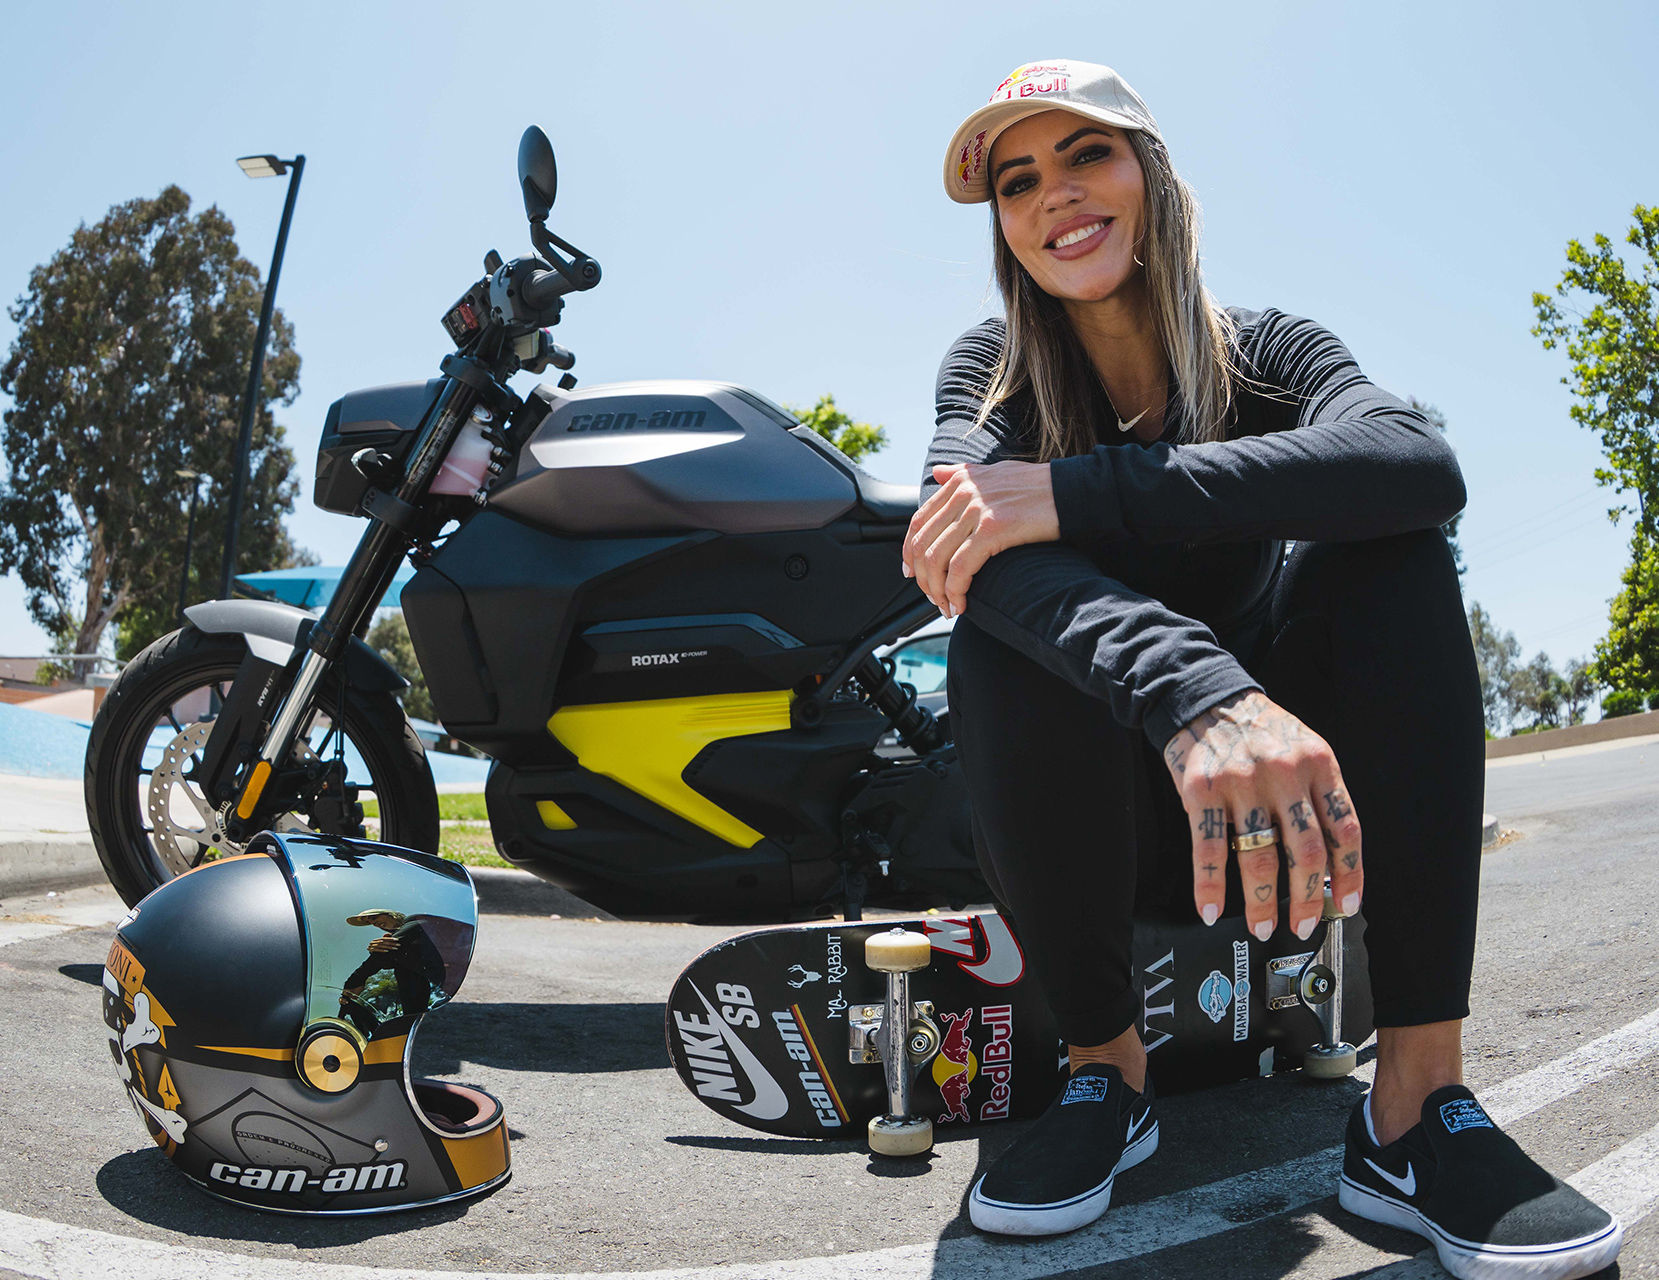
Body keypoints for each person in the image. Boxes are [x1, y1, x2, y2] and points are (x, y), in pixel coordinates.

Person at [904, 59, 1623, 1279]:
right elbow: (950, 542)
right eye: (1017, 181)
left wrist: (1082, 492)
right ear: (1004, 230)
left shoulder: (1266, 349)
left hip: (1291, 822)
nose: (1054, 197)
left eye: (1087, 154)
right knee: (992, 609)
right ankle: (1104, 1070)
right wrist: (1193, 691)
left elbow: (1417, 463)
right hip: (1108, 826)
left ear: (1152, 175)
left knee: (1390, 553)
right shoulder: (995, 376)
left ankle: (1414, 1104)